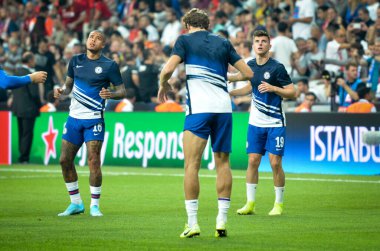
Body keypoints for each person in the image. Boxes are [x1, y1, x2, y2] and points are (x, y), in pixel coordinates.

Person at [157, 8, 253, 238]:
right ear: (207, 24)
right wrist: (228, 77)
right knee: (223, 163)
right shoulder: (223, 42)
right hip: (223, 109)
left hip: (199, 110)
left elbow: (168, 69)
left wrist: (163, 84)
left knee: (192, 165)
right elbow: (248, 72)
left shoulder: (185, 40)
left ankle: (192, 223)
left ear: (188, 25)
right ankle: (222, 219)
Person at [54, 30, 126, 217]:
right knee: (64, 160)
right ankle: (76, 203)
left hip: (94, 119)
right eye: (91, 37)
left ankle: (95, 205)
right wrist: (62, 90)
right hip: (74, 118)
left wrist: (111, 94)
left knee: (93, 160)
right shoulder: (76, 60)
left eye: (98, 38)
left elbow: (122, 91)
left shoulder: (109, 65)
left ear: (103, 45)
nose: (93, 40)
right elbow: (69, 85)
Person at [229, 30, 296, 217]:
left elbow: (292, 92)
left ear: (269, 45)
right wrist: (230, 90)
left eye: (263, 41)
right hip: (255, 123)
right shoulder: (250, 66)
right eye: (257, 41)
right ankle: (250, 203)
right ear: (253, 44)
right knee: (252, 161)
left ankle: (278, 204)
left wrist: (273, 88)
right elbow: (248, 84)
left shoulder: (277, 68)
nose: (260, 44)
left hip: (275, 122)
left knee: (275, 163)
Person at [11, 52, 42, 164]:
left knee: (21, 133)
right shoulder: (30, 75)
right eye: (33, 59)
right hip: (29, 109)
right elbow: (34, 93)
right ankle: (24, 158)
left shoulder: (17, 72)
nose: (35, 62)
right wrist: (40, 105)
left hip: (18, 108)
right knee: (27, 134)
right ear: (29, 61)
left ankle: (21, 156)